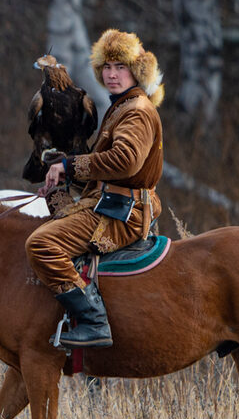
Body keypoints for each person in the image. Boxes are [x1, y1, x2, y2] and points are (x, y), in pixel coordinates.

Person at [26, 28, 165, 349]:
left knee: (41, 244)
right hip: (111, 202)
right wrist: (63, 173)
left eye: (121, 67)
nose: (112, 75)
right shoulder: (121, 107)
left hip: (123, 214)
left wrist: (71, 165)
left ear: (136, 71)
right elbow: (108, 166)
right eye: (107, 67)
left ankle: (93, 320)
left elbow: (126, 161)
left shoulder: (137, 110)